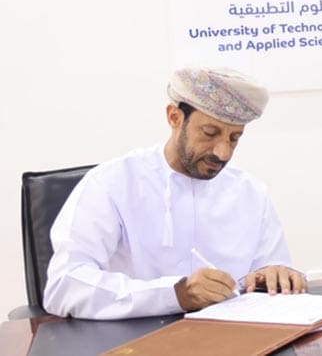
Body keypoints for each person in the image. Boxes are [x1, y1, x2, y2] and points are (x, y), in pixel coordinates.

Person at [43, 67, 306, 320]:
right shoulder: (112, 184)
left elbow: (271, 270)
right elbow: (64, 286)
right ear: (174, 117)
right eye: (210, 133)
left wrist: (275, 276)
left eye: (234, 138)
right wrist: (175, 294)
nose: (223, 152)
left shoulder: (251, 192)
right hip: (137, 339)